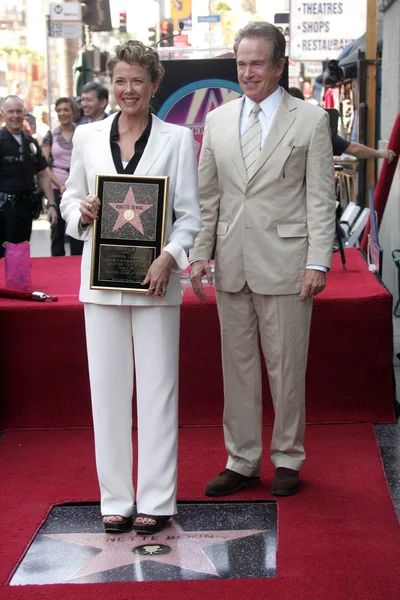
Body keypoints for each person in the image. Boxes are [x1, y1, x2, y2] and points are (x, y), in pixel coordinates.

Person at [189, 22, 336, 498]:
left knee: (287, 368)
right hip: (232, 263)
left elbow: (320, 199)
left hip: (288, 263)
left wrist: (318, 262)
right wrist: (198, 253)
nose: (248, 73)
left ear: (279, 65)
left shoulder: (311, 119)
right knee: (238, 370)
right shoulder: (217, 120)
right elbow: (206, 197)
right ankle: (242, 461)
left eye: (257, 63)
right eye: (241, 64)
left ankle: (288, 457)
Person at [60, 41, 201, 534]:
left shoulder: (178, 140)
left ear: (154, 84)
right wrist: (79, 210)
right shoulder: (86, 137)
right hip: (100, 285)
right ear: (110, 83)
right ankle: (115, 499)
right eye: (120, 80)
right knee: (108, 394)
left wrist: (170, 257)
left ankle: (158, 500)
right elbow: (70, 199)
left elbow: (190, 217)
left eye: (138, 80)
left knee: (159, 391)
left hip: (155, 282)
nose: (128, 89)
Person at [0, 95, 57, 259]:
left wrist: (52, 205)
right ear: (3, 114)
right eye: (11, 111)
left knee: (21, 254)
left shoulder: (30, 142)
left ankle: (17, 284)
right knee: (4, 256)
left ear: (24, 113)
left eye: (19, 111)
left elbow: (43, 174)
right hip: (3, 210)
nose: (15, 116)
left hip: (26, 209)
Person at [288, 88, 397, 163]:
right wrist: (380, 153)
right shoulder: (316, 130)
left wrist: (380, 153)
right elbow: (353, 149)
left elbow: (353, 149)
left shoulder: (276, 129)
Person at [42, 97, 83, 256]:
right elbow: (44, 165)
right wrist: (59, 185)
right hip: (56, 187)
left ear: (73, 111)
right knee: (57, 231)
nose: (62, 113)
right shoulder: (50, 135)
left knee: (77, 228)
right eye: (59, 110)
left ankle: (77, 265)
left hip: (78, 188)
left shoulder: (82, 132)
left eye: (66, 109)